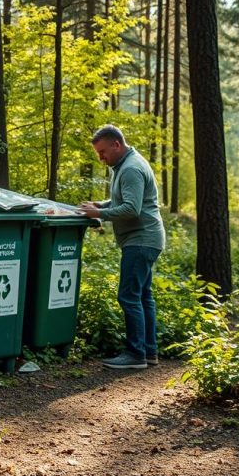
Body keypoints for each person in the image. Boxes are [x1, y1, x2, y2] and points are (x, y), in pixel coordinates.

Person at [79, 125, 166, 370]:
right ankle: (149, 352)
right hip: (146, 239)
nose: (101, 157)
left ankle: (135, 354)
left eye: (103, 152)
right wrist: (102, 203)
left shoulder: (130, 169)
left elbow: (131, 208)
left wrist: (99, 213)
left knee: (128, 296)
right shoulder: (126, 165)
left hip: (141, 240)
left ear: (117, 144)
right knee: (143, 297)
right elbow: (124, 199)